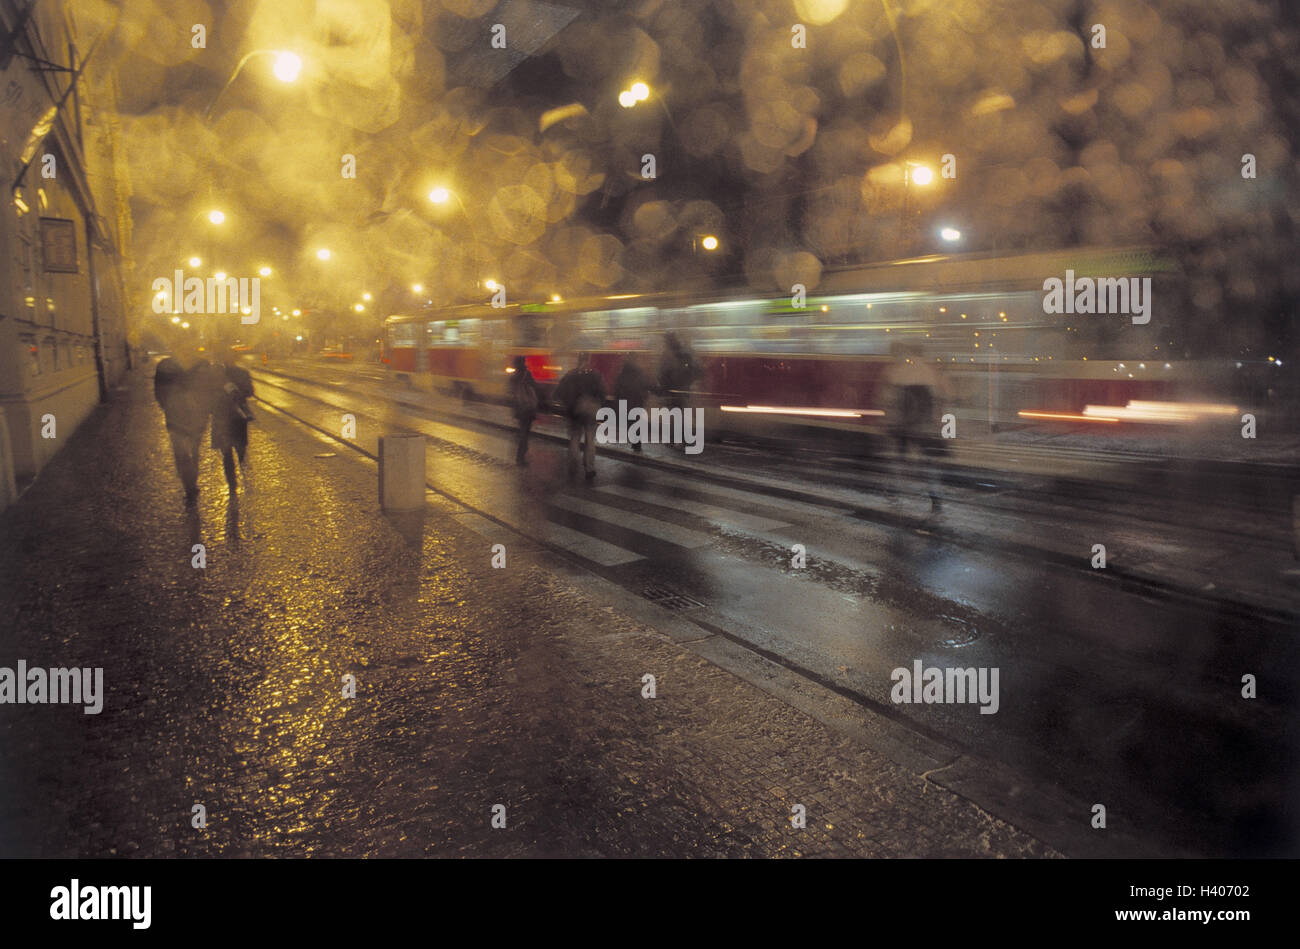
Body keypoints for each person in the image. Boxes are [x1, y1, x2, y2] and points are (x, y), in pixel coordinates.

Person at [879, 341, 947, 513]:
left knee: (899, 461)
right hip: (925, 427)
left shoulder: (899, 371)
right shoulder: (931, 372)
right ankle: (936, 499)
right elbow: (942, 398)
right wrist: (941, 425)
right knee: (929, 464)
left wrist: (888, 422)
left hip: (903, 426)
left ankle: (893, 492)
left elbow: (889, 400)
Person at [154, 351, 211, 505]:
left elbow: (159, 393)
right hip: (189, 418)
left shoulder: (166, 365)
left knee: (184, 453)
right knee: (190, 452)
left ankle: (189, 484)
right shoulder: (201, 364)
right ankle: (190, 484)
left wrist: (167, 406)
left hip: (182, 418)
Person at [206, 357, 255, 492]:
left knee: (228, 452)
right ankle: (237, 480)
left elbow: (205, 397)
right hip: (235, 417)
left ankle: (233, 483)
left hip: (224, 417)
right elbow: (250, 391)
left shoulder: (212, 375)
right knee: (234, 449)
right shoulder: (241, 373)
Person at [553, 352, 606, 479]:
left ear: (578, 360)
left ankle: (573, 465)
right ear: (589, 360)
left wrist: (567, 402)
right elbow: (602, 393)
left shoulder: (570, 375)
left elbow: (557, 393)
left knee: (575, 439)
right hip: (590, 412)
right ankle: (589, 468)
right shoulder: (595, 375)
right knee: (590, 440)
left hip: (574, 412)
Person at [508, 355, 543, 466]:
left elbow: (511, 392)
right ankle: (520, 457)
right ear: (523, 363)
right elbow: (535, 387)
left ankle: (521, 455)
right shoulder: (526, 374)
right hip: (527, 407)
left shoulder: (513, 376)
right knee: (525, 433)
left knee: (523, 431)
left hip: (518, 407)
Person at [613, 353, 650, 452]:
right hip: (637, 402)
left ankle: (635, 443)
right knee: (636, 423)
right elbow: (646, 384)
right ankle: (636, 445)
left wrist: (618, 400)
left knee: (631, 423)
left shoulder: (622, 373)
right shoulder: (640, 372)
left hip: (625, 403)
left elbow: (617, 388)